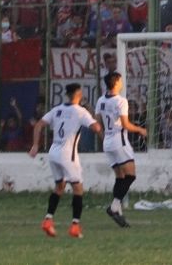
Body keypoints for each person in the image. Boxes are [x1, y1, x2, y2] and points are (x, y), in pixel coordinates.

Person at [29, 83, 101, 239]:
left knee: (60, 186)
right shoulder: (81, 112)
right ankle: (75, 226)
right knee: (78, 189)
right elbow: (97, 128)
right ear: (78, 94)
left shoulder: (57, 110)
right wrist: (90, 112)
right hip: (68, 154)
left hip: (53, 152)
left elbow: (39, 125)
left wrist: (35, 145)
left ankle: (48, 220)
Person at [96, 72, 147, 228]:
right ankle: (114, 206)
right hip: (120, 141)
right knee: (131, 176)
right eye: (121, 80)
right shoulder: (121, 101)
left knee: (120, 176)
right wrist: (140, 130)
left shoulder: (101, 100)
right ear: (117, 82)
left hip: (108, 142)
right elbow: (126, 124)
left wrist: (104, 137)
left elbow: (97, 122)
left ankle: (117, 210)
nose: (122, 82)